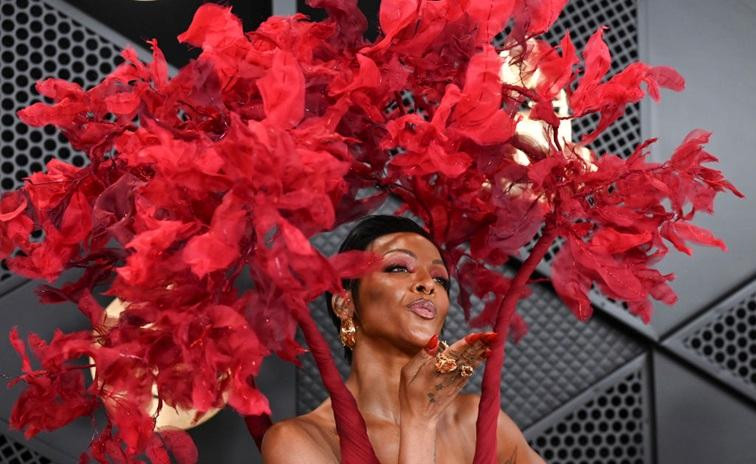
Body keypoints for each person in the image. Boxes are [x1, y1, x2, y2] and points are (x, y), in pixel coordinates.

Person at [261, 215, 545, 463]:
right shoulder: (299, 441)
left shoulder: (474, 421)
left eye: (440, 280)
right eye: (398, 268)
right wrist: (419, 423)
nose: (428, 284)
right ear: (345, 304)